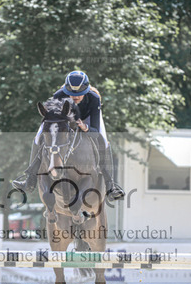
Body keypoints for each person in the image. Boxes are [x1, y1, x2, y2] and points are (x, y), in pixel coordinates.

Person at [12, 70, 125, 201]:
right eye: (72, 94)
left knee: (103, 141)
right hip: (64, 120)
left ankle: (110, 186)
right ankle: (30, 180)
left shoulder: (94, 98)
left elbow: (95, 133)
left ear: (86, 91)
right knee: (38, 138)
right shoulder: (59, 95)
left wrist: (85, 128)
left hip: (87, 120)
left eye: (79, 94)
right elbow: (53, 120)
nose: (75, 97)